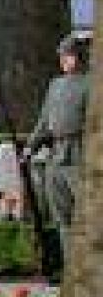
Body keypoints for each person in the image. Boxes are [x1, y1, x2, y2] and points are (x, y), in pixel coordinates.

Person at [27, 32, 89, 268]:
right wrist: (31, 146)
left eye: (68, 55)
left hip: (80, 152)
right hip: (57, 153)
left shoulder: (91, 83)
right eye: (62, 56)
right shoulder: (56, 85)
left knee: (85, 213)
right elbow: (44, 121)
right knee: (62, 216)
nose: (64, 60)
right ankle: (69, 266)